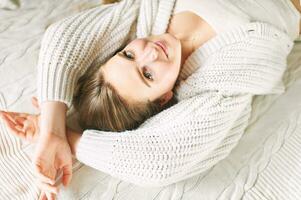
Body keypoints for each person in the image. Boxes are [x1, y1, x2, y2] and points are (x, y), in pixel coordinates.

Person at [0, 0, 300, 199]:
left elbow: (63, 37)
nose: (150, 52)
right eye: (148, 75)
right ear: (162, 100)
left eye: (127, 54)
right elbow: (160, 160)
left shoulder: (145, 20)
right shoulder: (217, 79)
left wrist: (51, 128)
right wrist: (70, 139)